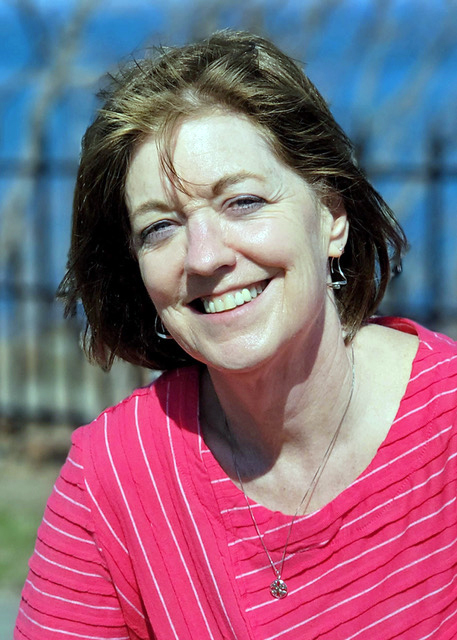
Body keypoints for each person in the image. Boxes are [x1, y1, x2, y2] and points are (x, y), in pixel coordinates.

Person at [15, 30, 457, 640]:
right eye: (160, 227)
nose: (204, 256)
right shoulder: (112, 479)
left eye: (242, 202)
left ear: (331, 218)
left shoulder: (447, 423)